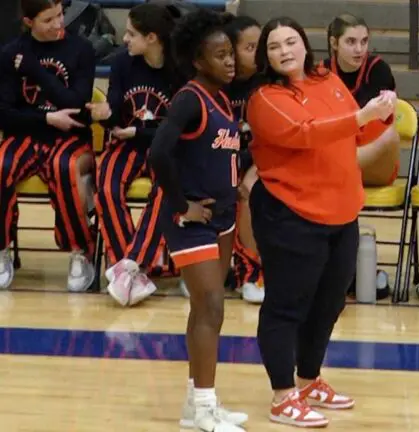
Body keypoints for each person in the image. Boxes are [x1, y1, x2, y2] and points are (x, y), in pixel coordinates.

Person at [246, 16, 395, 427]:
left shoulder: (325, 78)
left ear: (305, 44)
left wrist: (381, 114)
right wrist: (362, 117)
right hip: (291, 214)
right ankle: (282, 397)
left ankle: (308, 380)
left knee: (328, 305)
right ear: (265, 55)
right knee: (286, 306)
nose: (284, 51)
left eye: (290, 41)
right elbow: (305, 133)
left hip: (342, 212)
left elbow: (355, 129)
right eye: (274, 46)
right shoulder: (265, 98)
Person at [147, 8, 248, 431]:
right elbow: (157, 153)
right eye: (220, 54)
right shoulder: (190, 98)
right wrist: (178, 203)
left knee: (206, 310)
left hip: (222, 216)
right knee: (210, 304)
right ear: (197, 59)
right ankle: (205, 407)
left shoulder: (222, 97)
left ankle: (196, 401)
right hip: (194, 219)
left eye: (231, 53)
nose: (230, 61)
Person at [0, 0, 98, 291]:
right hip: (27, 133)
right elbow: (5, 115)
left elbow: (77, 104)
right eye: (48, 20)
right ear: (29, 22)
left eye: (59, 15)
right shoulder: (9, 53)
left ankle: (79, 251)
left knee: (64, 167)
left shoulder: (82, 50)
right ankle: (1, 248)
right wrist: (48, 119)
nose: (58, 24)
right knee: (0, 165)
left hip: (71, 137)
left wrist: (35, 71)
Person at [89, 3, 181, 307]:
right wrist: (106, 114)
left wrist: (140, 133)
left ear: (152, 37)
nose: (125, 39)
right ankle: (133, 269)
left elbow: (182, 128)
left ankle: (130, 266)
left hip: (167, 148)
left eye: (131, 33)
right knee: (105, 188)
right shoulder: (122, 63)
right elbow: (115, 109)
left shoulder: (182, 68)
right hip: (125, 144)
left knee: (166, 190)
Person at [323, 13, 400, 187]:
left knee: (390, 136)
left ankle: (333, 170)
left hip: (375, 160)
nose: (359, 49)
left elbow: (373, 122)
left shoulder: (378, 69)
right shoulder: (321, 72)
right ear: (334, 43)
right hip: (338, 152)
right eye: (351, 42)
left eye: (364, 41)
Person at [223, 15, 265, 304]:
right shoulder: (214, 82)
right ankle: (210, 269)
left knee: (249, 191)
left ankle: (250, 272)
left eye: (260, 46)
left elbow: (278, 139)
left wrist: (254, 170)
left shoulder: (269, 81)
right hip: (220, 161)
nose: (258, 53)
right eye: (250, 47)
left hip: (261, 161)